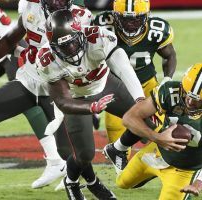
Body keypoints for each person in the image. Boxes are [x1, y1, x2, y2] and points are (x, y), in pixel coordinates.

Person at [0, 1, 93, 200]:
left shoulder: (81, 16)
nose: (56, 2)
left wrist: (85, 94)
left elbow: (90, 57)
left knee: (69, 149)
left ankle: (93, 183)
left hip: (58, 87)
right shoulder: (30, 8)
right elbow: (9, 41)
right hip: (29, 80)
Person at [35, 9, 152, 200]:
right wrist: (91, 108)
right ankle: (72, 182)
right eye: (63, 46)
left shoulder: (99, 37)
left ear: (80, 33)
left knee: (146, 120)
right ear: (53, 46)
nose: (71, 49)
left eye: (73, 42)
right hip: (76, 99)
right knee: (85, 155)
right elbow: (63, 101)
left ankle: (118, 149)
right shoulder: (47, 60)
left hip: (107, 86)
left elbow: (124, 69)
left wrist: (140, 100)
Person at [93, 0, 176, 146]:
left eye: (136, 18)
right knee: (115, 127)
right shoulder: (102, 26)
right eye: (125, 18)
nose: (130, 23)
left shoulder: (157, 30)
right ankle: (121, 166)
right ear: (115, 15)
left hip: (147, 84)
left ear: (147, 16)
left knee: (157, 129)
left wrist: (167, 79)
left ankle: (155, 165)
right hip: (116, 87)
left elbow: (169, 56)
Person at [117, 63, 202, 200]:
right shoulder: (171, 91)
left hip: (184, 171)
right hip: (157, 152)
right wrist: (157, 137)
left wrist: (198, 183)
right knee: (122, 182)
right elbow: (129, 118)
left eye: (197, 100)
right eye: (187, 93)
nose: (190, 101)